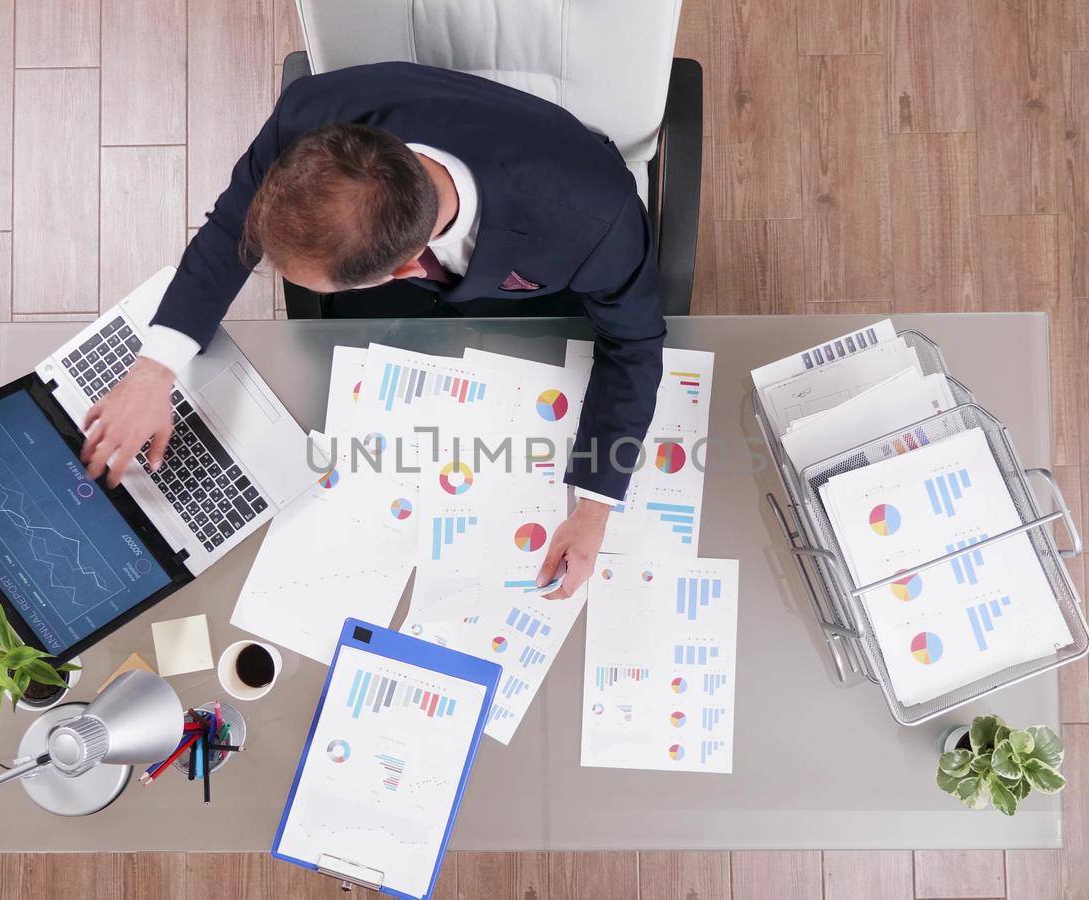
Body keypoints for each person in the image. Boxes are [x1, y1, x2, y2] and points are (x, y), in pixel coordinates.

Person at [81, 62, 665, 599]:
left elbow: (634, 344)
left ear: (406, 270)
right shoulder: (309, 121)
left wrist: (593, 509)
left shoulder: (596, 224)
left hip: (540, 258)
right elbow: (236, 224)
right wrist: (153, 370)